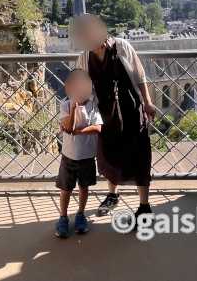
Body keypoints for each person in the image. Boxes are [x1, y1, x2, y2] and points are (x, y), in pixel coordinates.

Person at [72, 14, 156, 224]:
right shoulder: (84, 57)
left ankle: (144, 206)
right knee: (108, 156)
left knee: (140, 157)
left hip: (131, 110)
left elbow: (140, 75)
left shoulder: (122, 46)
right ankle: (112, 195)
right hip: (106, 115)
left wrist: (147, 102)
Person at [55, 68, 102, 238]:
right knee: (65, 189)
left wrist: (80, 132)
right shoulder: (65, 104)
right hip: (69, 156)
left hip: (87, 156)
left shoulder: (92, 105)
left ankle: (81, 214)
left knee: (84, 187)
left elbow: (98, 127)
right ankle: (63, 217)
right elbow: (68, 126)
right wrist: (74, 107)